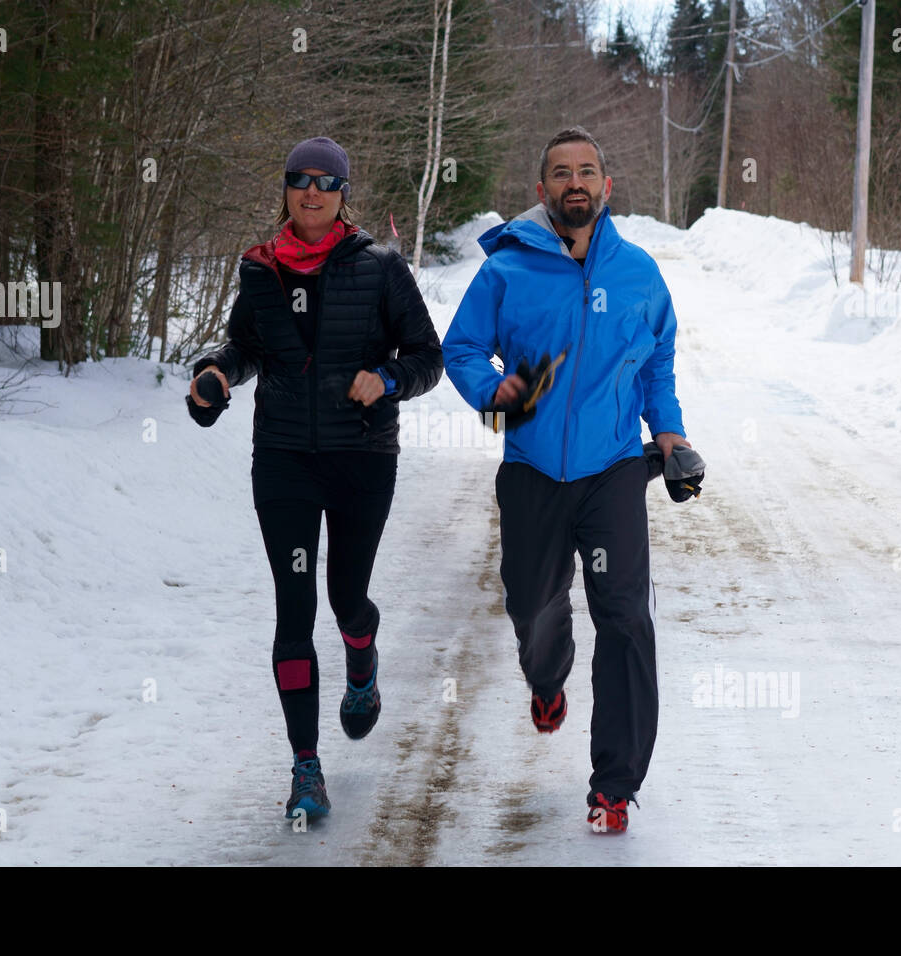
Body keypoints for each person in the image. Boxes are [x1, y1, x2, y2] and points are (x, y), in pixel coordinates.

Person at [442, 126, 690, 833]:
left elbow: (656, 365)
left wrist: (670, 439)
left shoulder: (639, 274)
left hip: (612, 471)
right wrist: (494, 392)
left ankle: (614, 787)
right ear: (541, 190)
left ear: (607, 188)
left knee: (626, 620)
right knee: (533, 607)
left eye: (587, 171)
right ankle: (546, 679)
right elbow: (460, 347)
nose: (574, 182)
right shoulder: (508, 271)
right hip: (531, 472)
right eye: (560, 173)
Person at [188, 136, 443, 821]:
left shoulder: (381, 268)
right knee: (294, 608)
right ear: (286, 189)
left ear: (342, 195)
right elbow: (245, 347)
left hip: (361, 457)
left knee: (346, 597)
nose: (311, 192)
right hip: (285, 459)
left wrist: (386, 378)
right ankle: (306, 766)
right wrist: (217, 375)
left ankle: (363, 657)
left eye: (325, 183)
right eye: (299, 180)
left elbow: (429, 356)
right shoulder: (260, 268)